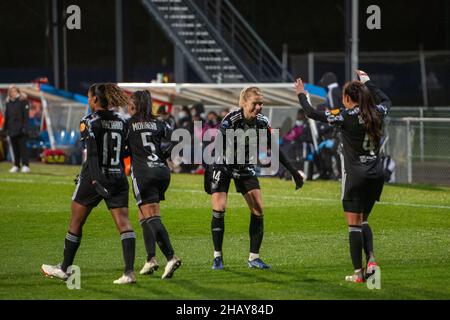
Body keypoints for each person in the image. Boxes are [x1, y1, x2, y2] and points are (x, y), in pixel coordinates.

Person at [295, 70, 391, 283]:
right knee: (364, 220)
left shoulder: (344, 115)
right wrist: (368, 82)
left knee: (353, 225)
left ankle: (358, 274)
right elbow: (386, 100)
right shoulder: (377, 111)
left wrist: (302, 94)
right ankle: (372, 260)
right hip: (376, 174)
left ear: (348, 99)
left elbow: (310, 112)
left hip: (355, 174)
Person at [41, 83, 136, 284]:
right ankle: (129, 273)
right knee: (124, 225)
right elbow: (127, 150)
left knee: (76, 222)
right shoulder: (122, 120)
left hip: (94, 178)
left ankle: (64, 269)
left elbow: (92, 154)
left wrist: (93, 179)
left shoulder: (89, 121)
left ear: (94, 99)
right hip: (118, 176)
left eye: (89, 97)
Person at [205, 86, 304, 270]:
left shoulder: (262, 122)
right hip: (223, 164)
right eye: (255, 103)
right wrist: (209, 174)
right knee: (219, 206)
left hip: (244, 165)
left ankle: (254, 258)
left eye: (261, 103)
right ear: (243, 103)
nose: (258, 107)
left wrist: (293, 172)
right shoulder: (231, 120)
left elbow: (274, 149)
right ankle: (217, 257)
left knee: (258, 208)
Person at [127, 90, 181, 279]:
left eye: (129, 103)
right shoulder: (160, 123)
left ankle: (171, 256)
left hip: (143, 173)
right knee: (144, 214)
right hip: (162, 171)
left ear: (135, 106)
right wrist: (163, 155)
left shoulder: (128, 124)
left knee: (151, 216)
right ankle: (150, 259)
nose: (127, 106)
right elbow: (177, 138)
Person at [3, 85, 30, 173]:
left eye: (14, 91)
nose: (12, 93)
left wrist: (25, 127)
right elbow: (7, 117)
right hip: (11, 129)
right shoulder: (8, 103)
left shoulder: (23, 101)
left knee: (23, 149)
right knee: (15, 149)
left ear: (17, 91)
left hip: (21, 129)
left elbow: (26, 116)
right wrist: (4, 129)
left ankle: (25, 165)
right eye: (11, 91)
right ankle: (16, 165)